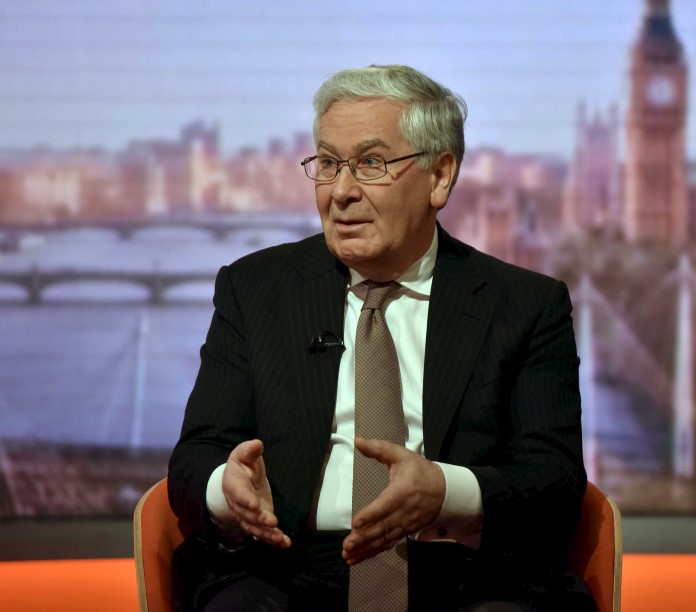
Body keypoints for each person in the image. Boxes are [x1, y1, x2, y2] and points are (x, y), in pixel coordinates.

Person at [168, 64, 595, 611]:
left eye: (370, 163)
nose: (340, 192)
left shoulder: (525, 305)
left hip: (464, 571)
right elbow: (194, 458)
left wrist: (444, 493)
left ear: (440, 177)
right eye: (327, 164)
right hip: (287, 567)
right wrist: (227, 492)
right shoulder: (255, 290)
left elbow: (554, 483)